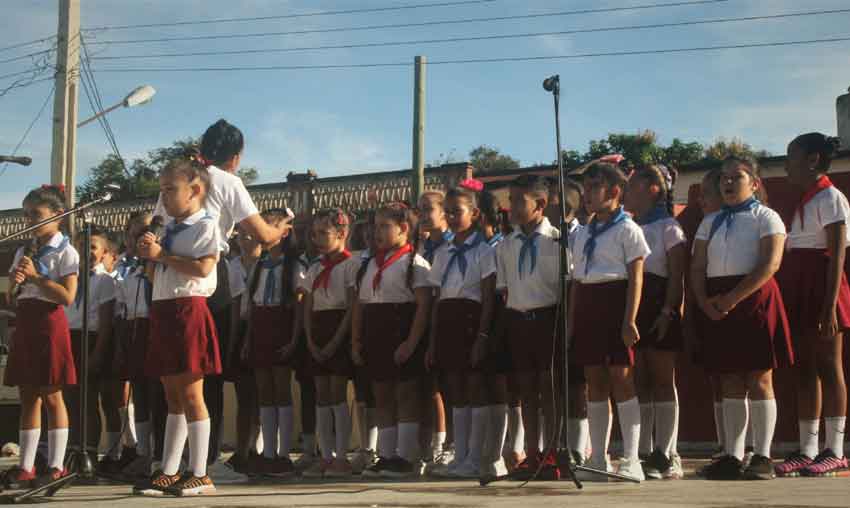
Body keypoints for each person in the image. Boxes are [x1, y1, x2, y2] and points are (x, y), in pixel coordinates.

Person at [153, 120, 291, 469]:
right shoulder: (229, 181)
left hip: (169, 280)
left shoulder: (179, 181)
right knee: (203, 376)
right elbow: (262, 234)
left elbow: (155, 226)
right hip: (207, 277)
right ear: (236, 157)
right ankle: (205, 462)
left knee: (178, 380)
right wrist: (280, 228)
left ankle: (183, 463)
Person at [691, 157, 793, 481]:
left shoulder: (767, 217)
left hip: (753, 300)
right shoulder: (710, 222)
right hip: (716, 302)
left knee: (760, 378)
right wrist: (704, 301)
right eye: (724, 178)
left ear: (755, 183)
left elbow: (770, 264)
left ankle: (762, 456)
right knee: (730, 379)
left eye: (737, 177)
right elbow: (696, 266)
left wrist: (733, 298)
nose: (728, 183)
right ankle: (733, 457)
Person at [134, 156, 222, 496]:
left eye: (171, 190)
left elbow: (202, 268)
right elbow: (159, 271)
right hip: (164, 310)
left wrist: (161, 256)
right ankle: (169, 469)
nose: (165, 197)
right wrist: (149, 253)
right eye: (162, 190)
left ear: (195, 190)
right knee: (171, 395)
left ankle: (200, 472)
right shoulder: (167, 227)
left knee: (191, 393)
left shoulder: (205, 225)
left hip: (189, 309)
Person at [570, 162, 651, 482]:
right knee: (595, 382)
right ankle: (599, 459)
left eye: (594, 188)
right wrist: (573, 322)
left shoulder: (628, 229)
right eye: (586, 188)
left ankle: (631, 459)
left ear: (615, 192)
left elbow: (636, 279)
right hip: (589, 304)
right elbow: (577, 281)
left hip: (616, 302)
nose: (587, 195)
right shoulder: (584, 231)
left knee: (621, 377)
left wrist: (629, 320)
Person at [775, 133, 849, 477]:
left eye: (792, 155)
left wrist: (830, 304)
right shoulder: (802, 199)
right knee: (804, 368)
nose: (787, 162)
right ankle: (808, 449)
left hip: (824, 288)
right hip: (799, 287)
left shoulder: (832, 198)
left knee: (828, 366)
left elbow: (836, 255)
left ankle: (835, 449)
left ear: (813, 160)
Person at [1, 185, 79, 488]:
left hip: (49, 322)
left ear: (58, 215)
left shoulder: (65, 250)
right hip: (26, 321)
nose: (29, 220)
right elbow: (11, 295)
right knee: (27, 394)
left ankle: (57, 464)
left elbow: (67, 296)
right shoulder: (24, 249)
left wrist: (36, 277)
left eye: (36, 215)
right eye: (26, 214)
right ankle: (26, 465)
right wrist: (17, 283)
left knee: (51, 394)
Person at [353, 203, 432, 478]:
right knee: (382, 396)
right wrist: (356, 341)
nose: (377, 232)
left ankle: (406, 456)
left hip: (401, 332)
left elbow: (423, 306)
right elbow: (361, 306)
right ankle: (385, 456)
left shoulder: (414, 263)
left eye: (385, 226)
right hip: (376, 334)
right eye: (375, 227)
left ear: (404, 229)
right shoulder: (368, 264)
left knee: (406, 395)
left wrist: (411, 343)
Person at [427, 185, 497, 478]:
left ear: (475, 213)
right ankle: (460, 455)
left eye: (459, 211)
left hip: (471, 320)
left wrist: (482, 335)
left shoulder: (484, 250)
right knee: (455, 389)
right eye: (449, 212)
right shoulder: (443, 252)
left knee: (474, 388)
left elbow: (488, 296)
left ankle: (476, 456)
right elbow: (437, 298)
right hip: (447, 320)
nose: (453, 217)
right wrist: (432, 342)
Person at [497, 175, 562, 479]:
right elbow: (505, 289)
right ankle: (532, 453)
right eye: (511, 200)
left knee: (548, 390)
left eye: (519, 200)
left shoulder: (558, 240)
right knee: (526, 392)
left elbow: (566, 288)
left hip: (548, 319)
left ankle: (552, 452)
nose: (512, 206)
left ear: (540, 204)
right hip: (518, 320)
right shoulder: (507, 244)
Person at [625, 165, 687, 480]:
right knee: (640, 381)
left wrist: (668, 312)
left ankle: (668, 452)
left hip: (660, 305)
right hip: (634, 307)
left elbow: (677, 276)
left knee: (663, 379)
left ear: (652, 189)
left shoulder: (669, 228)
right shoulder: (629, 227)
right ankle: (646, 451)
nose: (625, 191)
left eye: (632, 185)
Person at [241, 209, 300, 477]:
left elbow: (299, 308)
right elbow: (252, 306)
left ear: (284, 232)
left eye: (269, 225)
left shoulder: (293, 266)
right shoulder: (258, 267)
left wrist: (294, 339)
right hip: (261, 329)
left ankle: (284, 454)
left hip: (282, 327)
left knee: (281, 391)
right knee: (264, 392)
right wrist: (248, 339)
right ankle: (267, 453)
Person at [303, 209, 359, 478]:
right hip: (318, 329)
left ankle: (341, 456)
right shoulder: (314, 267)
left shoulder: (350, 265)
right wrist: (311, 341)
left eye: (323, 233)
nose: (317, 239)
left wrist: (337, 340)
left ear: (342, 234)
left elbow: (351, 306)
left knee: (337, 394)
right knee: (321, 396)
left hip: (339, 329)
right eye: (314, 234)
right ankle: (325, 456)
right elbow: (308, 306)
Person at [65, 226, 117, 464]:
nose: (87, 250)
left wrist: (97, 353)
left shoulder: (105, 281)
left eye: (93, 246)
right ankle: (73, 449)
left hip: (91, 340)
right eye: (81, 245)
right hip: (69, 340)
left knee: (88, 400)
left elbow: (106, 321)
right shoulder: (69, 278)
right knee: (71, 400)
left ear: (104, 251)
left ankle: (90, 453)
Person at [417, 191, 452, 468]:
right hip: (422, 318)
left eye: (429, 209)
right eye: (420, 210)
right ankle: (427, 444)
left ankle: (445, 444)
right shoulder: (421, 247)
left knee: (446, 386)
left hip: (446, 317)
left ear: (444, 212)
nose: (423, 215)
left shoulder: (452, 246)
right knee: (425, 387)